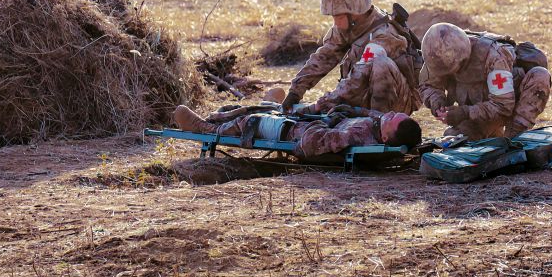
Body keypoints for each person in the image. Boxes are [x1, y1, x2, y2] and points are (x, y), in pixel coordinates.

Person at [278, 0, 421, 115]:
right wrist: (295, 91)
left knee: (380, 64)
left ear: (355, 13)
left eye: (339, 17)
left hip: (399, 102)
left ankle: (378, 124)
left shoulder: (383, 34)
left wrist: (326, 102)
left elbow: (360, 75)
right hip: (363, 94)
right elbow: (324, 57)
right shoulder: (349, 26)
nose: (336, 23)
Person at [419, 22, 552, 140]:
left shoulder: (494, 55)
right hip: (478, 116)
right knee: (453, 141)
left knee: (540, 75)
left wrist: (464, 112)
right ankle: (490, 133)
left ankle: (515, 134)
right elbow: (428, 85)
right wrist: (437, 102)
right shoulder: (437, 53)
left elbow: (503, 106)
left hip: (508, 106)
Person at [171, 104, 423, 160]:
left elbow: (313, 144)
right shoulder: (374, 131)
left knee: (250, 120)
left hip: (289, 133)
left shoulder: (356, 134)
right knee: (271, 107)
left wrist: (326, 122)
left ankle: (205, 127)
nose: (387, 115)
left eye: (391, 119)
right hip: (298, 122)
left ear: (387, 136)